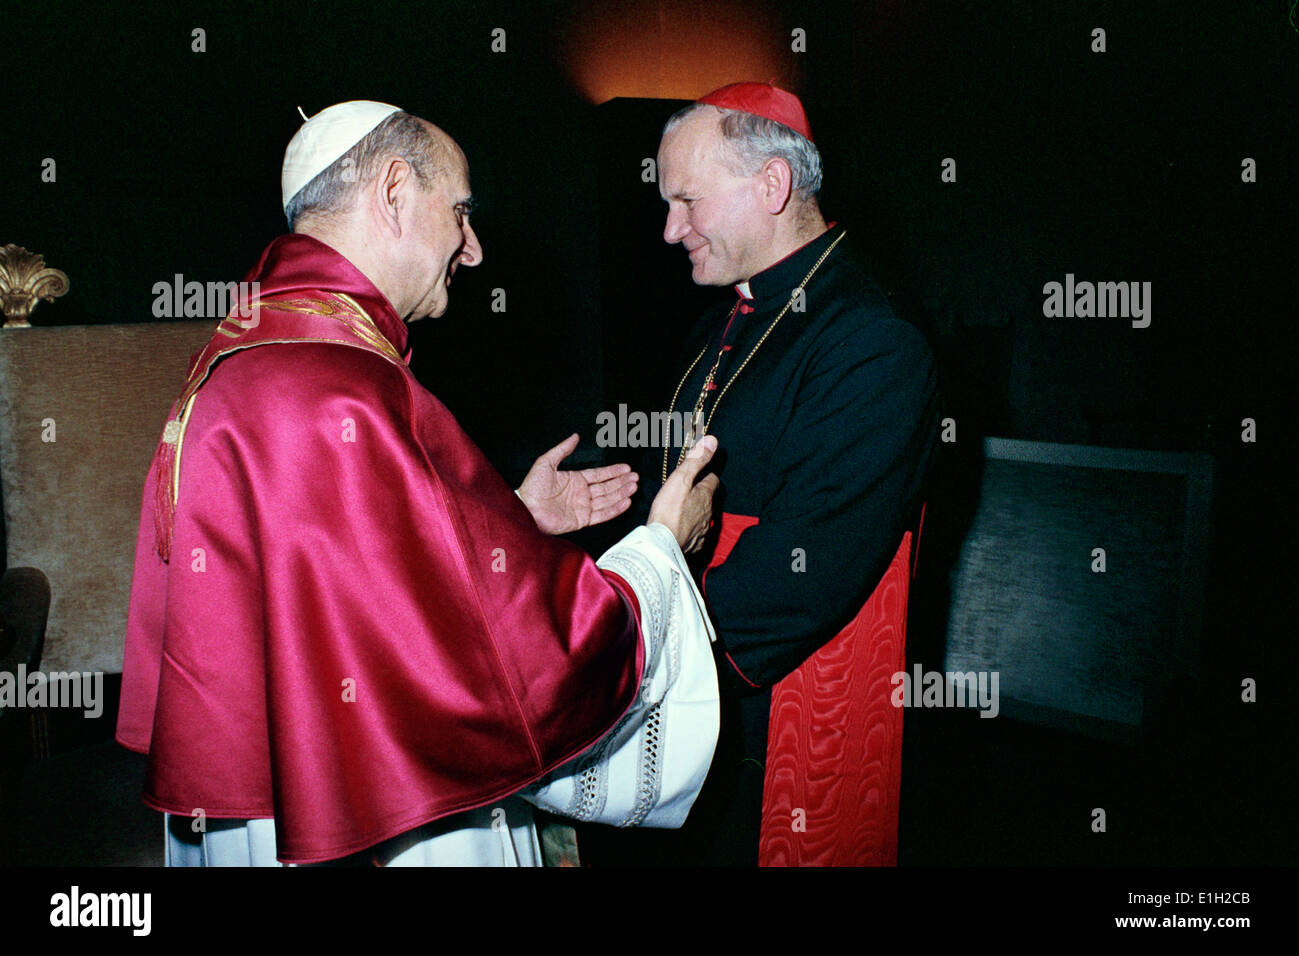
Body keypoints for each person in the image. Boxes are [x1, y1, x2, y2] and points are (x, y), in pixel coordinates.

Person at [115, 101, 723, 866]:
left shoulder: (255, 349)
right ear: (395, 191)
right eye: (460, 212)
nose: (471, 251)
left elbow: (350, 582)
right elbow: (519, 670)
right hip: (380, 819)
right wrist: (662, 549)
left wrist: (510, 522)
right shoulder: (341, 387)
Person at [582, 82, 939, 865]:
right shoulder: (725, 317)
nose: (671, 229)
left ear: (772, 185)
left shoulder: (871, 334)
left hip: (763, 697)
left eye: (687, 201)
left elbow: (806, 571)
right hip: (695, 680)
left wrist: (624, 641)